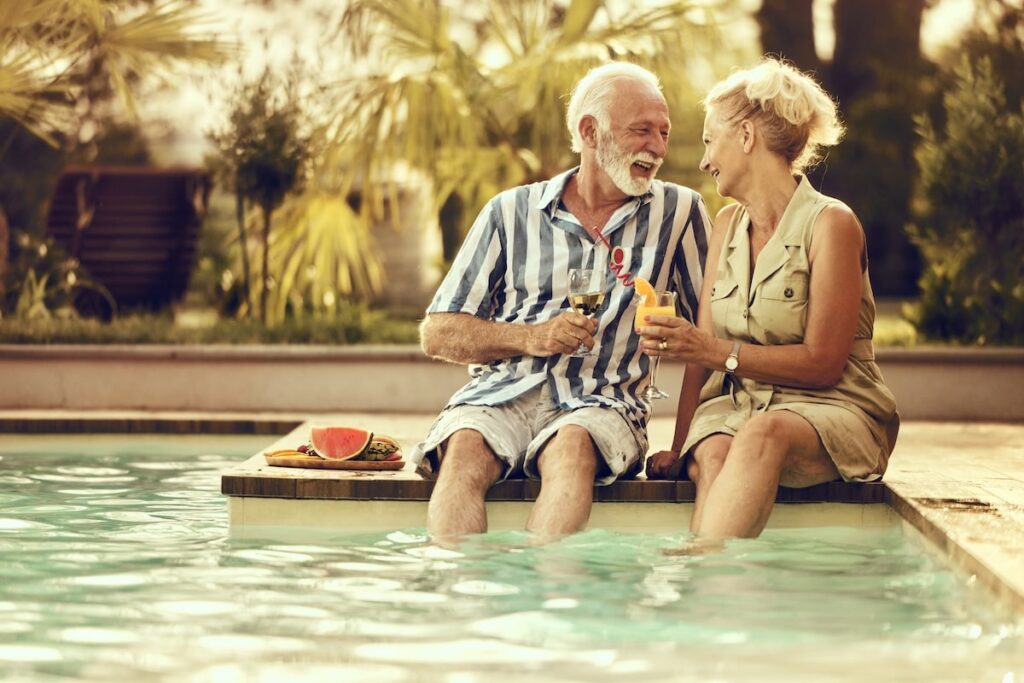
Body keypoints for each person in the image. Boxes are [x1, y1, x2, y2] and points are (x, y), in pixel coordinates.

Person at [411, 62, 712, 542]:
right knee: (463, 448)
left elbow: (708, 340)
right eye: (641, 131)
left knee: (572, 449)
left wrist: (683, 445)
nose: (656, 146)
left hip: (603, 402)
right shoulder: (509, 211)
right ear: (590, 132)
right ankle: (457, 592)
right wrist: (531, 337)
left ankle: (545, 599)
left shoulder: (680, 212)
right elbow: (438, 331)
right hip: (500, 393)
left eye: (663, 132)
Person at [643, 58, 899, 540]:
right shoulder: (725, 226)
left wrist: (712, 350)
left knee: (764, 434)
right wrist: (680, 449)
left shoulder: (832, 225)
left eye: (708, 140)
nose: (703, 160)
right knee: (714, 451)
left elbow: (823, 363)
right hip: (739, 405)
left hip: (835, 408)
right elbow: (701, 359)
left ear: (745, 136)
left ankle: (695, 573)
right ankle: (709, 592)